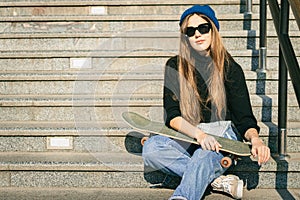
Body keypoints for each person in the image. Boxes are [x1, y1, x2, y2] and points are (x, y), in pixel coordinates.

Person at [142, 4, 271, 200]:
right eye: (190, 31)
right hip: (191, 135)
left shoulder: (230, 68)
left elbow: (244, 118)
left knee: (204, 154)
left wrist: (256, 139)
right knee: (151, 149)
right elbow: (173, 116)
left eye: (203, 28)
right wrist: (200, 135)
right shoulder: (174, 66)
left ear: (213, 30)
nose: (197, 34)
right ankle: (216, 181)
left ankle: (182, 196)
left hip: (222, 134)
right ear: (185, 37)